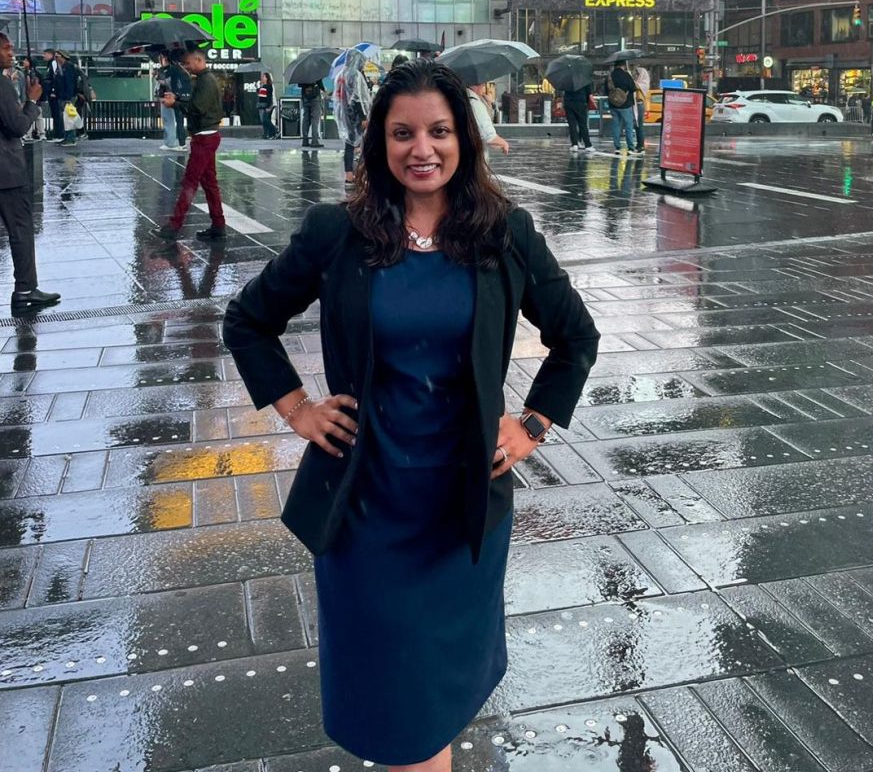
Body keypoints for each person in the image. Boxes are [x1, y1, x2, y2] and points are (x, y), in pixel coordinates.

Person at [222, 59, 599, 772]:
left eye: (438, 131)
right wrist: (297, 408)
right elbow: (247, 321)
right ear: (378, 143)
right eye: (402, 133)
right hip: (366, 506)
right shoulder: (339, 233)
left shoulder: (505, 233)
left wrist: (533, 425)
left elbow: (576, 337)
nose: (420, 149)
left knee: (429, 705)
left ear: (465, 137)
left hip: (458, 513)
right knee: (396, 707)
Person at [0, 33, 60, 311]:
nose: (11, 52)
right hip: (6, 170)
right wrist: (33, 101)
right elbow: (16, 127)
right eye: (5, 48)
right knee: (21, 229)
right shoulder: (1, 84)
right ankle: (25, 288)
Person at [157, 46, 227, 242]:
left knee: (190, 182)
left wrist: (175, 104)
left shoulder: (206, 80)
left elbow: (197, 108)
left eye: (188, 63)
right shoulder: (204, 79)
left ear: (198, 60)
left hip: (204, 137)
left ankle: (174, 226)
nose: (186, 67)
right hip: (207, 135)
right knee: (209, 183)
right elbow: (196, 103)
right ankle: (218, 224)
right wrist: (177, 99)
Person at [333, 48, 372, 184]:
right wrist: (363, 117)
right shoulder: (355, 75)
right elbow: (357, 98)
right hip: (355, 114)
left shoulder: (341, 74)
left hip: (344, 114)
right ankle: (361, 172)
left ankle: (349, 174)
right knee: (362, 143)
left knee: (349, 145)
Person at [606, 61, 641, 155]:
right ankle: (630, 147)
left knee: (616, 125)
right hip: (625, 104)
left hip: (613, 104)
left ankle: (617, 147)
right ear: (623, 65)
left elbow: (606, 90)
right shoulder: (626, 75)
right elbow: (633, 88)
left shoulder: (610, 76)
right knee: (628, 125)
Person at [156, 52, 189, 150]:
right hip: (178, 97)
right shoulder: (179, 69)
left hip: (175, 97)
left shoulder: (173, 69)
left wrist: (160, 73)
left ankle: (181, 144)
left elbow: (164, 80)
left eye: (161, 59)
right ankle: (179, 143)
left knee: (178, 120)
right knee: (178, 120)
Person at [467, 82, 509, 157]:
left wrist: (489, 103)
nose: (484, 86)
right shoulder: (474, 103)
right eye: (482, 84)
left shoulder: (463, 99)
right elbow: (488, 135)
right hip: (474, 156)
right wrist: (503, 143)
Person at [55, 52, 79, 146]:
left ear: (63, 57)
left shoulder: (68, 67)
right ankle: (67, 137)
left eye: (57, 56)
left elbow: (69, 83)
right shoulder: (61, 67)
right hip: (62, 96)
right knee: (65, 118)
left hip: (68, 97)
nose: (56, 58)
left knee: (69, 117)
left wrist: (69, 97)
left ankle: (71, 138)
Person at [563, 82, 594, 153]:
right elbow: (589, 91)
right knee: (583, 124)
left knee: (572, 124)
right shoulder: (583, 78)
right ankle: (587, 145)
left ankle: (574, 144)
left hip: (569, 102)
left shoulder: (567, 78)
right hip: (580, 102)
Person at [42, 48, 63, 142]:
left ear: (51, 54)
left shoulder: (53, 63)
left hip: (54, 93)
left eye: (45, 54)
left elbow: (56, 77)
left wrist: (54, 91)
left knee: (56, 113)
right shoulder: (50, 64)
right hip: (51, 92)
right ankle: (57, 134)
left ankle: (59, 134)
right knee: (55, 114)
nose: (43, 56)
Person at [300, 81, 324, 148]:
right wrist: (323, 89)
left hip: (305, 97)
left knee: (306, 119)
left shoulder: (302, 74)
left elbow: (300, 84)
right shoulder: (315, 72)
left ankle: (305, 141)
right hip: (315, 98)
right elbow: (320, 85)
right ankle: (314, 141)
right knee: (314, 119)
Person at [257, 72, 278, 140]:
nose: (262, 78)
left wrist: (269, 107)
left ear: (267, 78)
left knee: (265, 120)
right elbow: (260, 94)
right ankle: (267, 134)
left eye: (263, 77)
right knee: (264, 120)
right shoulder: (263, 86)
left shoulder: (269, 86)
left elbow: (269, 97)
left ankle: (274, 130)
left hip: (266, 105)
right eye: (262, 76)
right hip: (261, 105)